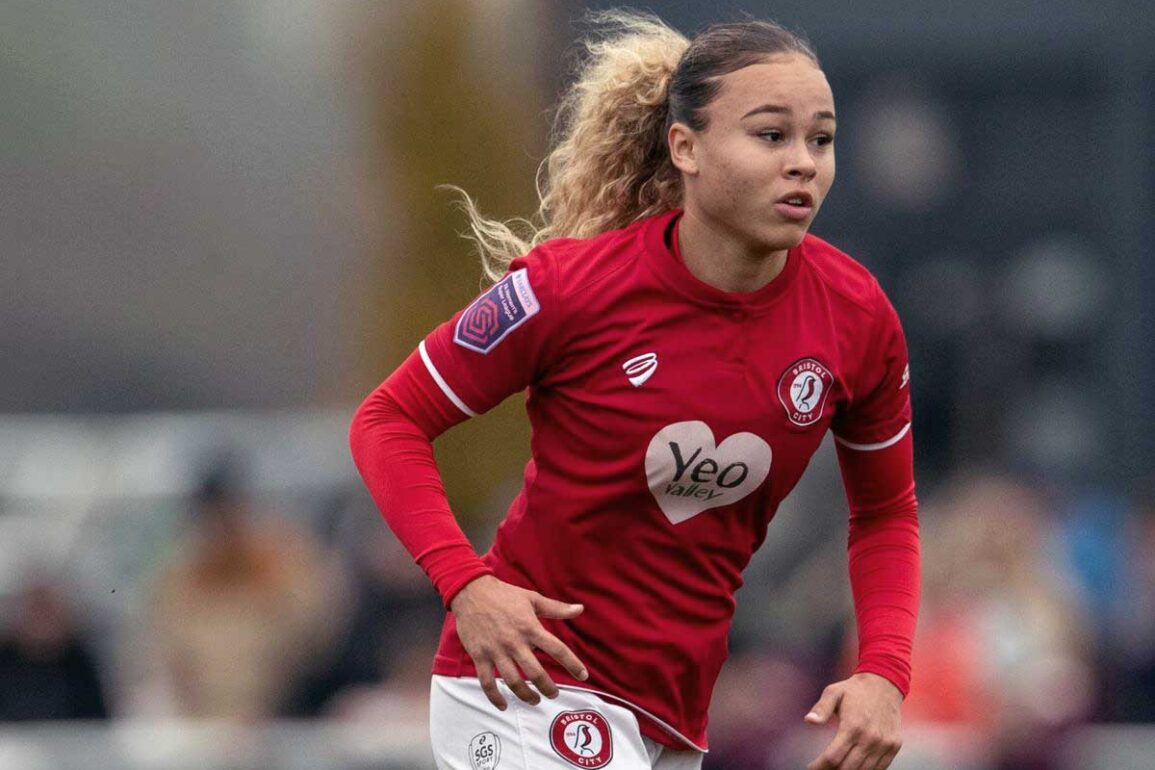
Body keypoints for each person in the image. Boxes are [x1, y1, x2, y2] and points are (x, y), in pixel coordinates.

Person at [350, 11, 919, 770]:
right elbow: (387, 419)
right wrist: (467, 586)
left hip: (671, 713)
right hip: (527, 685)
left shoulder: (856, 318)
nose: (803, 163)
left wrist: (884, 670)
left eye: (821, 139)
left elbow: (884, 512)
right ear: (684, 147)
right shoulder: (568, 291)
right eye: (770, 135)